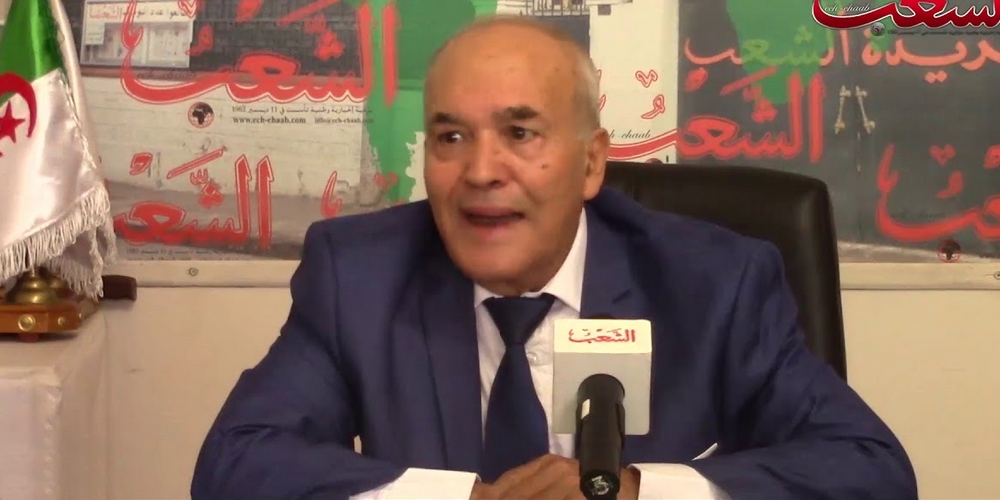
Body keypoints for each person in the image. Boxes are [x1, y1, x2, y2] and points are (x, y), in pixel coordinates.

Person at [190, 16, 918, 500]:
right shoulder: (358, 275)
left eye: (520, 133)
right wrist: (467, 499)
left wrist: (636, 491)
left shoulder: (714, 283)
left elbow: (871, 470)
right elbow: (235, 466)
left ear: (592, 163)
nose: (481, 171)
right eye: (450, 138)